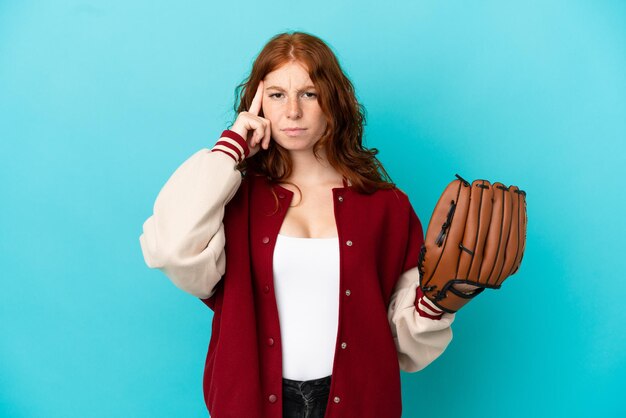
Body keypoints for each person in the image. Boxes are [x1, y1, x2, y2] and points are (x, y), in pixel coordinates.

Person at [139, 31, 456, 418]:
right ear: (257, 104)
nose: (292, 111)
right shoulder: (235, 199)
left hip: (358, 404)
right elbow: (173, 248)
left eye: (309, 93)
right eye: (276, 95)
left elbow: (404, 343)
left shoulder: (385, 206)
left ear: (334, 101)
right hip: (252, 403)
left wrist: (441, 302)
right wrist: (232, 146)